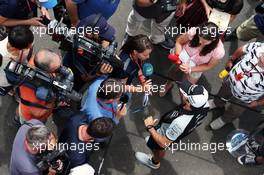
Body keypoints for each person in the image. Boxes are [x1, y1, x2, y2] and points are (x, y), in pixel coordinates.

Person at [135, 80, 209, 169]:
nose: (183, 92)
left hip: (165, 134)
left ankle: (154, 162)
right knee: (156, 142)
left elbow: (164, 143)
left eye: (186, 94)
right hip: (175, 129)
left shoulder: (180, 123)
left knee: (159, 147)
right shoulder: (204, 105)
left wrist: (150, 127)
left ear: (189, 103)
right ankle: (153, 141)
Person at [209, 42, 264, 130]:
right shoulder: (259, 47)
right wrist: (232, 59)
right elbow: (242, 49)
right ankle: (216, 102)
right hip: (231, 80)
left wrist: (257, 103)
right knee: (222, 93)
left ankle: (224, 119)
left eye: (262, 63)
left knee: (235, 110)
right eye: (260, 58)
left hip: (245, 98)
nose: (258, 62)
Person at [160, 22, 225, 96]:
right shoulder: (194, 31)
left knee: (187, 85)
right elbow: (179, 42)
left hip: (197, 66)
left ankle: (183, 96)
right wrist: (178, 57)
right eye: (199, 37)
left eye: (204, 41)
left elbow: (208, 66)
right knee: (173, 72)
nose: (200, 41)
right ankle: (168, 84)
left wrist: (190, 69)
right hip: (183, 56)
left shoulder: (219, 51)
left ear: (213, 39)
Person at [63, 14, 116, 91]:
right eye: (102, 34)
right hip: (75, 77)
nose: (107, 38)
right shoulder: (80, 52)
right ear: (89, 34)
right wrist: (99, 73)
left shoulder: (88, 25)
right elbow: (85, 78)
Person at [17, 49, 64, 124]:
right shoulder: (33, 91)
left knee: (20, 108)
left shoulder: (38, 60)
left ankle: (17, 117)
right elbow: (38, 113)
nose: (61, 68)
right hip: (31, 118)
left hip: (23, 105)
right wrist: (54, 102)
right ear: (45, 72)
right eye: (58, 68)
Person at [0, 26, 34, 95]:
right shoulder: (2, 55)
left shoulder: (20, 40)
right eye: (28, 46)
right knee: (8, 86)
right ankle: (10, 90)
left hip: (16, 72)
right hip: (4, 81)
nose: (31, 47)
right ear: (17, 48)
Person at [175, 0, 243, 31]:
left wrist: (221, 26)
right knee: (185, 28)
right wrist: (206, 6)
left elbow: (232, 16)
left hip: (213, 22)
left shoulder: (237, 2)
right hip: (198, 10)